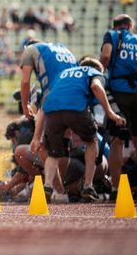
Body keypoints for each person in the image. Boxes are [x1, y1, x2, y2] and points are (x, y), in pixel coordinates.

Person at [41, 58, 125, 202]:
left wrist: (37, 136)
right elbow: (96, 87)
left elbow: (44, 104)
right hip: (76, 108)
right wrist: (110, 113)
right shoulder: (94, 73)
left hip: (51, 111)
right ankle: (88, 185)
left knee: (53, 153)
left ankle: (48, 185)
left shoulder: (64, 73)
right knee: (92, 142)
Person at [100, 14, 137, 202]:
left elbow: (105, 55)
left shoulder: (112, 35)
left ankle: (116, 188)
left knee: (117, 141)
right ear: (130, 26)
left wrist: (99, 72)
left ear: (116, 26)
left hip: (120, 93)